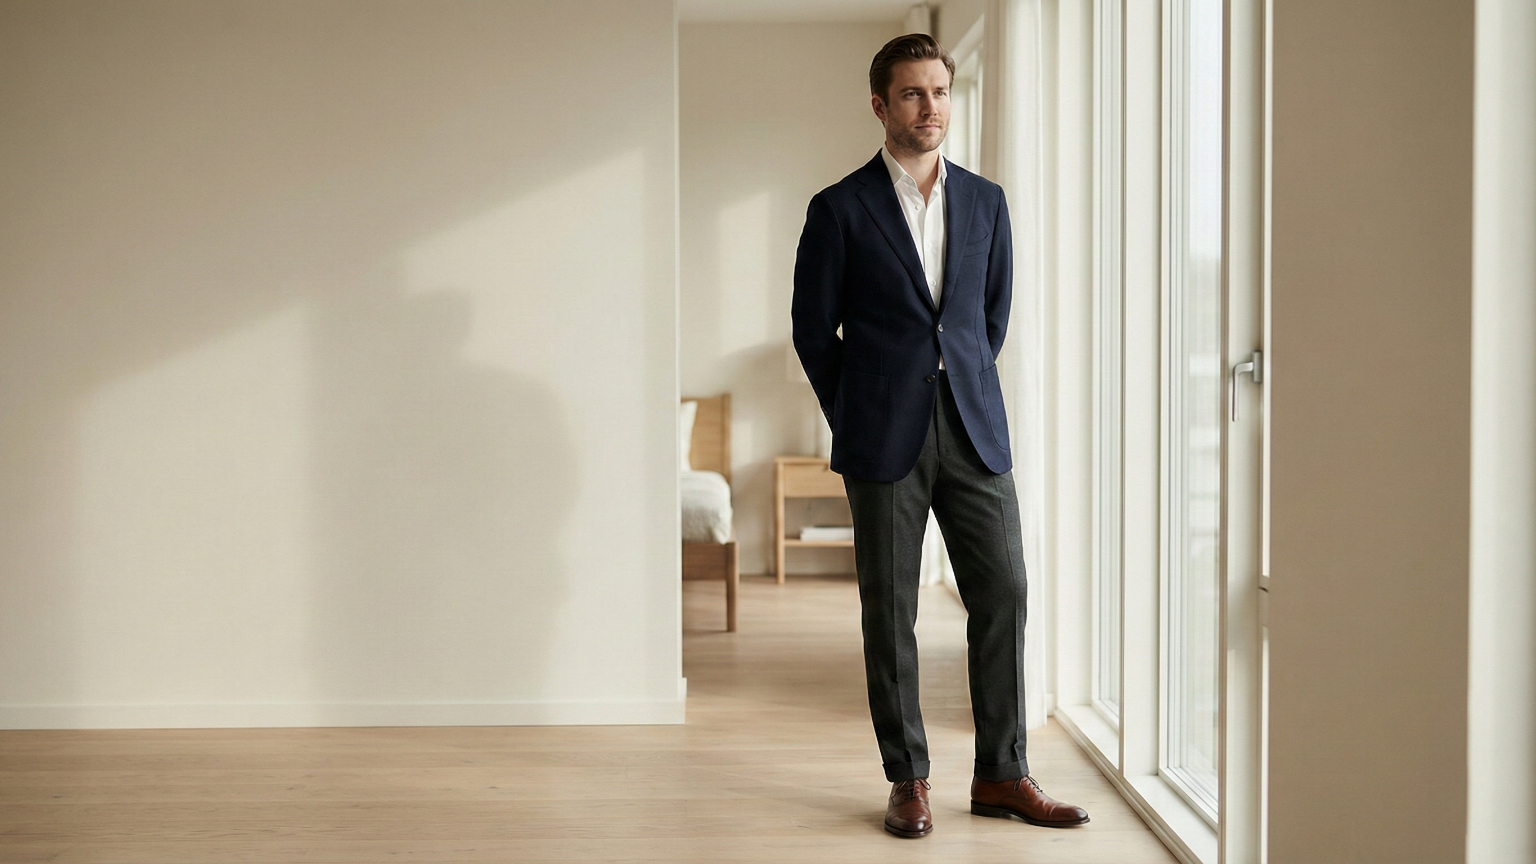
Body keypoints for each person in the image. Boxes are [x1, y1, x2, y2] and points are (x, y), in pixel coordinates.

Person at [791, 33, 1089, 839]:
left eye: (942, 92)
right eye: (915, 94)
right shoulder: (839, 208)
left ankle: (1001, 773)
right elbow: (815, 334)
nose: (932, 108)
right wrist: (858, 409)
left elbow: (986, 320)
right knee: (889, 612)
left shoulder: (988, 202)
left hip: (973, 429)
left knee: (1006, 592)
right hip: (882, 437)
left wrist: (957, 383)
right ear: (882, 105)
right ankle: (908, 778)